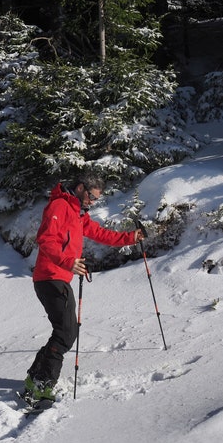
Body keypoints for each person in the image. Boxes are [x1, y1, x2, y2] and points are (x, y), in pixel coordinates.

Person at [21, 171, 144, 404]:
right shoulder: (59, 206)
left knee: (65, 331)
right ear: (80, 188)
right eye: (92, 197)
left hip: (58, 277)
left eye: (96, 199)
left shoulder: (79, 214)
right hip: (49, 277)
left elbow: (100, 233)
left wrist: (130, 237)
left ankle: (35, 379)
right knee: (66, 332)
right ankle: (41, 384)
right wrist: (68, 261)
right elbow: (46, 240)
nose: (93, 202)